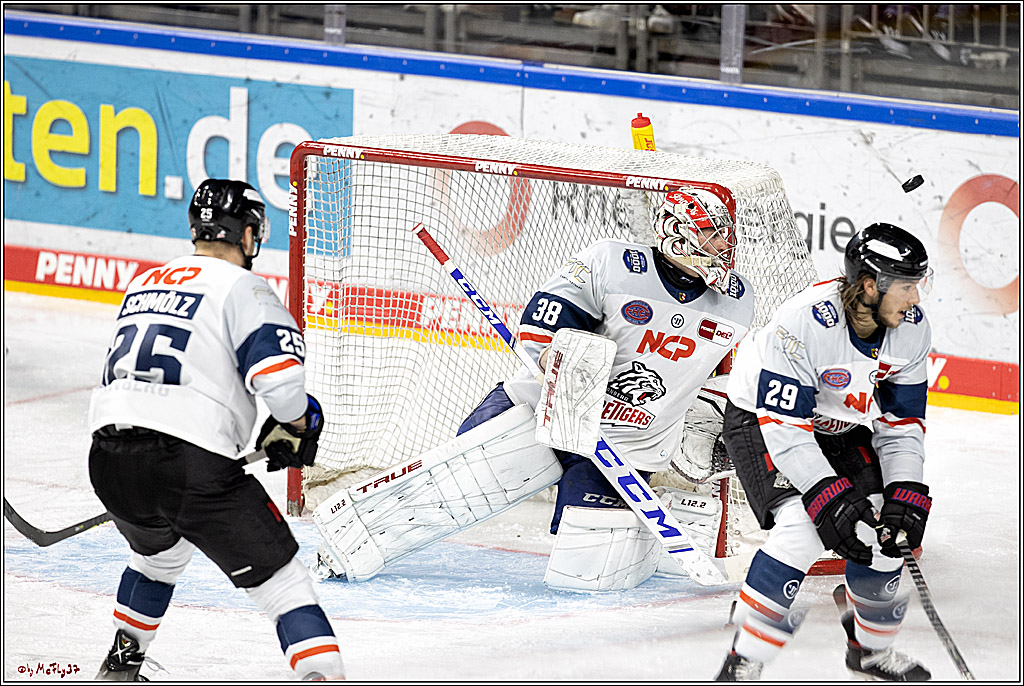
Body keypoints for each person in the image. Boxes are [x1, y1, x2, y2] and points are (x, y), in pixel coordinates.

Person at [314, 187, 754, 590]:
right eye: (711, 236)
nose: (722, 247)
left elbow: (728, 378)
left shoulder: (738, 300)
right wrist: (555, 360)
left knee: (586, 577)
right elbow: (546, 319)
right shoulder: (612, 263)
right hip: (542, 410)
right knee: (452, 484)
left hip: (619, 448)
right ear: (678, 235)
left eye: (723, 237)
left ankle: (664, 514)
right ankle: (342, 546)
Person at [87, 179, 346, 680]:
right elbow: (281, 380)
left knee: (159, 559)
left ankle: (122, 663)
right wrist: (296, 424)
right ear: (247, 235)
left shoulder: (146, 281)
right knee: (286, 585)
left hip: (109, 459)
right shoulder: (243, 286)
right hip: (187, 463)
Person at [714, 222, 934, 681]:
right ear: (871, 285)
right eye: (908, 286)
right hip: (762, 420)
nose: (917, 299)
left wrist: (904, 488)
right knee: (802, 524)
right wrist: (827, 495)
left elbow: (901, 423)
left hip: (841, 424)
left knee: (884, 528)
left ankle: (870, 654)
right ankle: (742, 663)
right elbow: (787, 431)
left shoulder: (910, 329)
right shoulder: (802, 323)